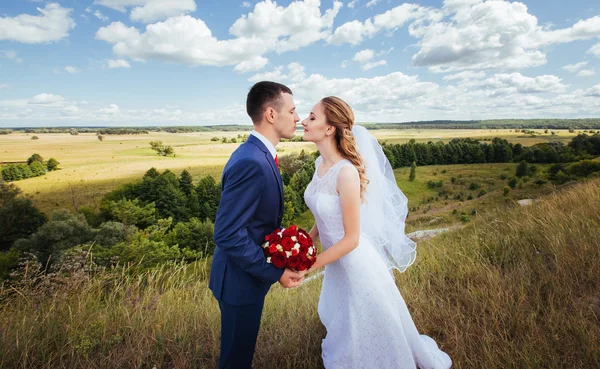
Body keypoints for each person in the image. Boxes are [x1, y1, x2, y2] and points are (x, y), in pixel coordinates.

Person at [300, 96, 452, 369]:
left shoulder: (346, 173)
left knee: (371, 320)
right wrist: (305, 241)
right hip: (336, 260)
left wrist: (308, 265)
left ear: (329, 128)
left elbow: (351, 239)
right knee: (348, 317)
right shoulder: (319, 166)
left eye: (312, 117)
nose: (303, 121)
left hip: (354, 261)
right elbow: (323, 215)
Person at [209, 81, 305, 369]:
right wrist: (274, 271)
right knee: (235, 361)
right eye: (293, 110)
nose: (298, 117)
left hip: (244, 279)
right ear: (271, 114)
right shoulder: (252, 161)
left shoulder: (258, 154)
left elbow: (255, 222)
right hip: (239, 283)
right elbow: (227, 233)